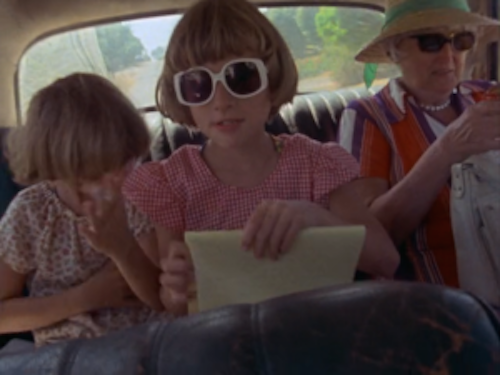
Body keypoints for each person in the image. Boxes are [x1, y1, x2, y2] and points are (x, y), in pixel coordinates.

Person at [123, 0, 400, 315]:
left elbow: (386, 259)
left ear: (272, 81)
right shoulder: (172, 184)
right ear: (183, 98)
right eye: (198, 85)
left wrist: (317, 219)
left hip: (318, 328)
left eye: (241, 77)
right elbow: (176, 306)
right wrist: (176, 290)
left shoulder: (315, 164)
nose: (222, 101)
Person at [338, 0, 500, 290]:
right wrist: (446, 149)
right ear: (393, 51)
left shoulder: (486, 97)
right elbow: (371, 236)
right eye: (431, 42)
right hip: (439, 304)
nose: (450, 56)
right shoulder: (370, 117)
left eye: (461, 40)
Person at [0, 73, 163, 347]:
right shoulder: (31, 213)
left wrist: (123, 249)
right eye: (98, 173)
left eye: (126, 163)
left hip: (145, 344)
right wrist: (84, 298)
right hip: (68, 354)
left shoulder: (137, 197)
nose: (118, 179)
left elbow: (159, 297)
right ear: (57, 170)